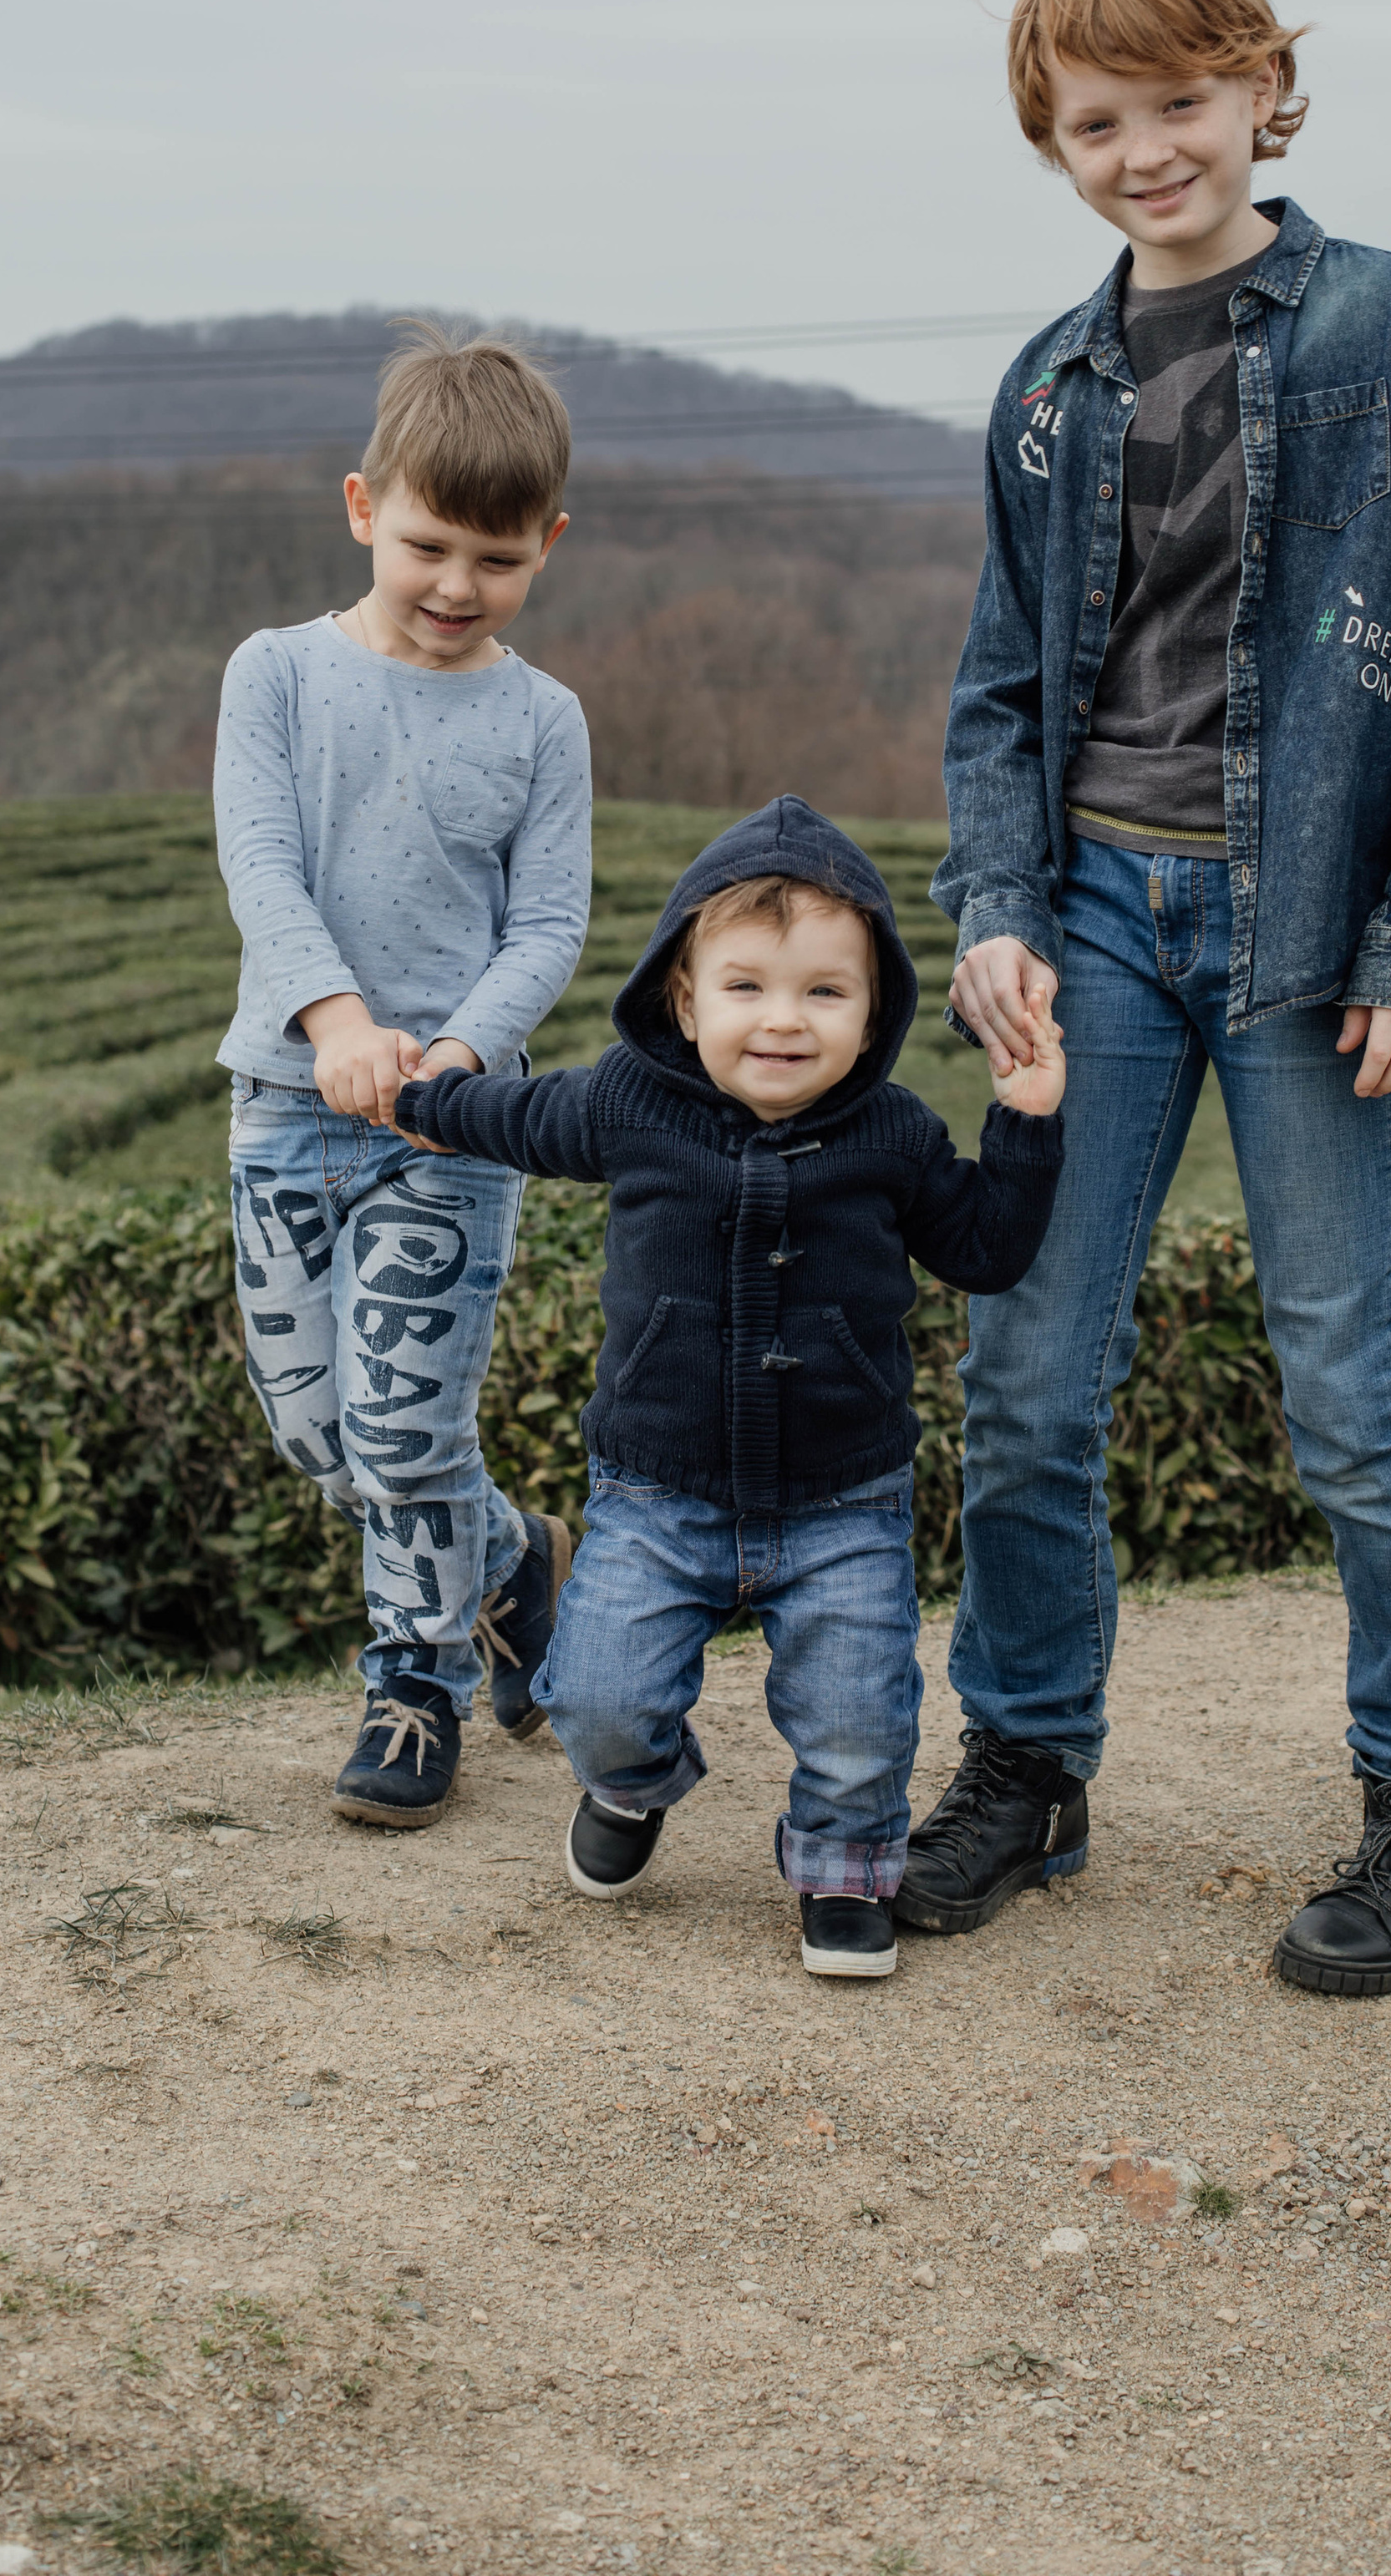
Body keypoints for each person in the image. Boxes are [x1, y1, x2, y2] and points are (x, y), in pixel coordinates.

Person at [906, 0, 1391, 1997]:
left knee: (1349, 1387)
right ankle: (1021, 1772)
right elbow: (1000, 689)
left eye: (1180, 102)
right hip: (1090, 917)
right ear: (1049, 141)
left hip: (1301, 938)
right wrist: (992, 904)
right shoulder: (1044, 387)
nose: (1143, 149)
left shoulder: (1379, 322)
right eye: (1095, 122)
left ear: (1262, 90)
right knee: (1025, 1375)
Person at [393, 795, 1065, 1977]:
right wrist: (416, 1097)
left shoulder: (896, 1135)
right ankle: (634, 1787)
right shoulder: (624, 1104)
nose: (783, 1021)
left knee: (859, 1715)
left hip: (843, 1498)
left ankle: (844, 1868)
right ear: (685, 999)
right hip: (657, 1489)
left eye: (824, 992)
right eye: (746, 987)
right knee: (599, 1700)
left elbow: (986, 1251)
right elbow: (510, 1116)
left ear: (875, 1016)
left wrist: (1023, 1123)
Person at [215, 324, 591, 1828]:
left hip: (451, 1124)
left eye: (496, 562)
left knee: (408, 1427)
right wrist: (336, 1023)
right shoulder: (277, 676)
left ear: (546, 547)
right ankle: (509, 1562)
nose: (456, 588)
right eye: (429, 546)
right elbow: (262, 863)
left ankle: (414, 1685)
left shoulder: (543, 719)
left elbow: (551, 922)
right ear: (364, 507)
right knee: (318, 1429)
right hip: (287, 1102)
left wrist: (457, 1053)